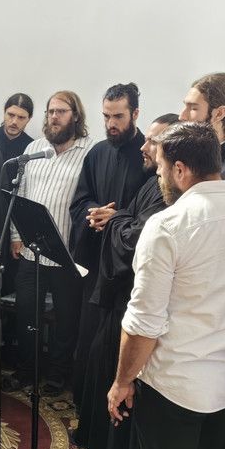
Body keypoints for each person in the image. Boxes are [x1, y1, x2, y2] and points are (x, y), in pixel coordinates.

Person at [107, 122, 225, 449]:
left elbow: (144, 324)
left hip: (175, 388)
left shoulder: (167, 226)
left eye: (161, 168)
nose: (159, 176)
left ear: (180, 169)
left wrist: (122, 381)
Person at [74, 113, 178, 449]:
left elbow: (137, 238)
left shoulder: (169, 192)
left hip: (131, 297)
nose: (144, 148)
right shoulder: (153, 180)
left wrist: (116, 218)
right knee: (95, 361)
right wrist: (110, 216)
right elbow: (130, 221)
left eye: (153, 142)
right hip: (116, 294)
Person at [69, 82, 151, 408]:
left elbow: (153, 211)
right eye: (106, 116)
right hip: (96, 263)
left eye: (118, 116)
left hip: (127, 272)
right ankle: (86, 408)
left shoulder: (149, 155)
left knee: (115, 345)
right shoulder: (97, 153)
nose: (111, 123)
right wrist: (93, 214)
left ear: (135, 113)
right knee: (88, 339)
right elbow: (79, 201)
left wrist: (117, 218)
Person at [8, 90, 92, 393]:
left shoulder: (90, 151)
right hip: (32, 251)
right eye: (50, 111)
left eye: (61, 112)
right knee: (25, 315)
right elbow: (20, 194)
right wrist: (15, 236)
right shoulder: (34, 149)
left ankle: (57, 376)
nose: (54, 117)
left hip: (67, 254)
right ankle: (26, 372)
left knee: (66, 321)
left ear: (75, 116)